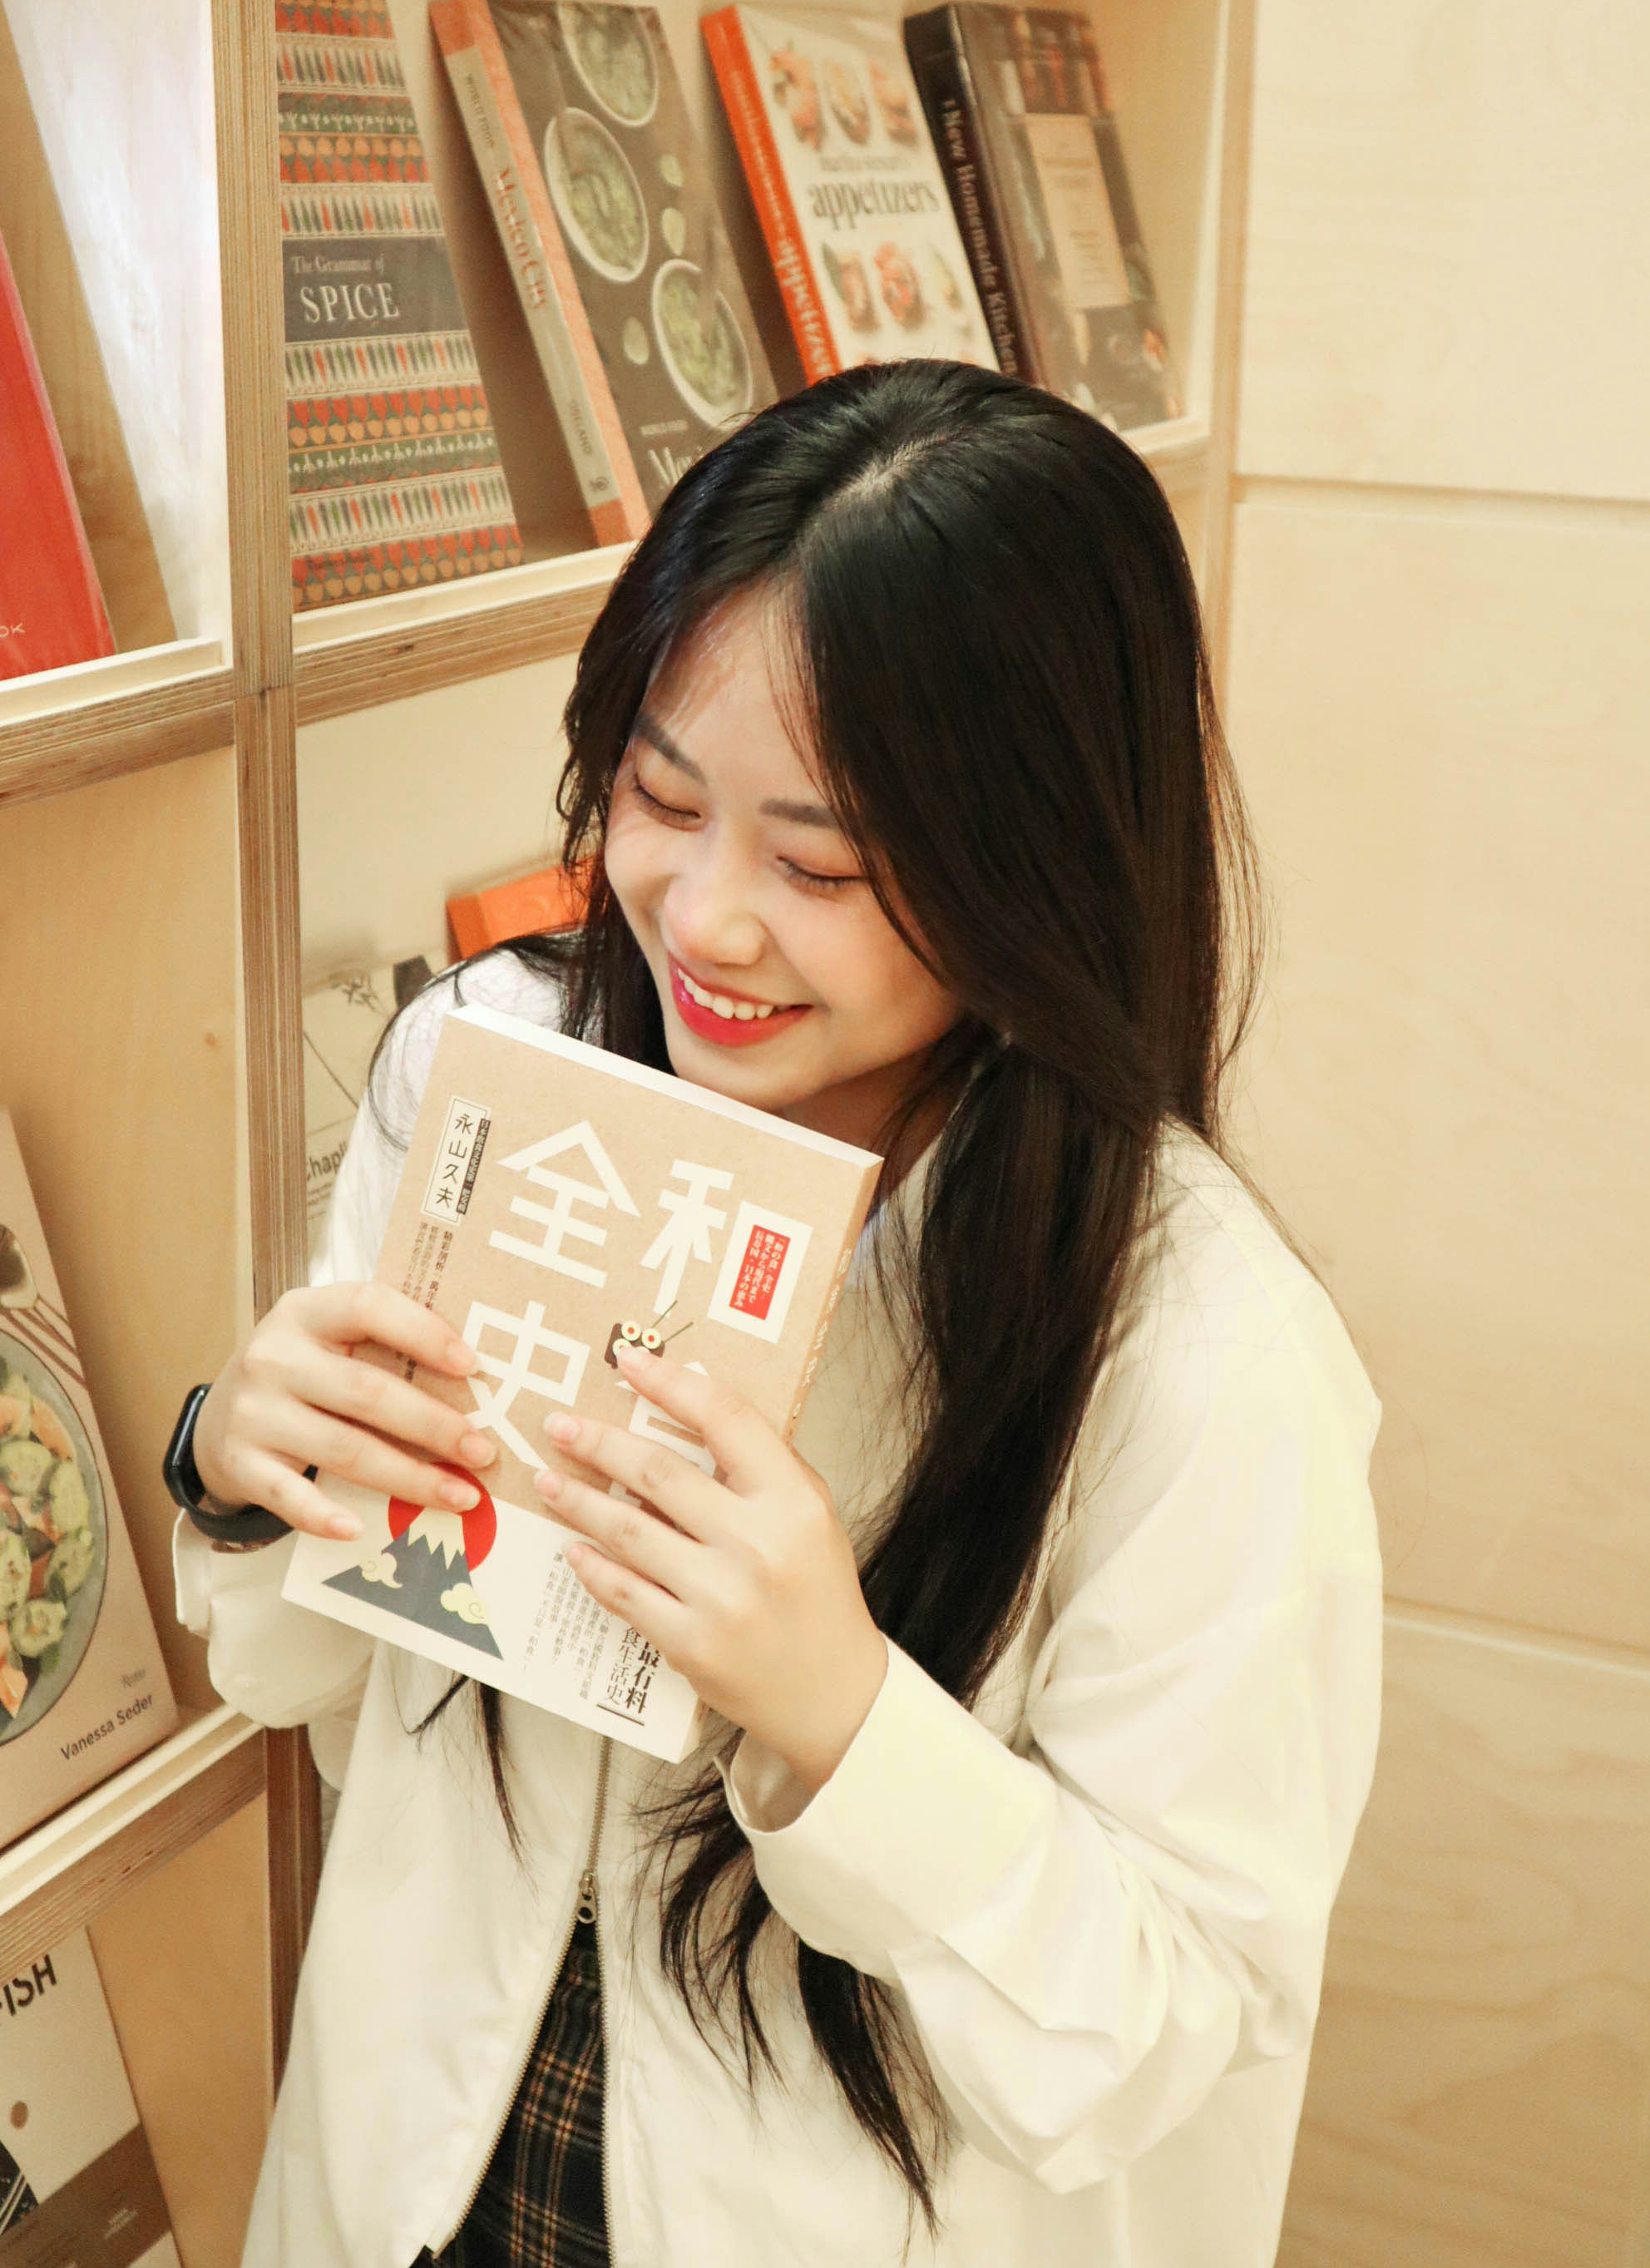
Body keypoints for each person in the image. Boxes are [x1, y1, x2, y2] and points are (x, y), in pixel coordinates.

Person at [170, 362, 1383, 2268]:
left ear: (1028, 869)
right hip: (419, 2178)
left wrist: (838, 1716)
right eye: (659, 796)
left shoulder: (1197, 1348)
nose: (706, 920)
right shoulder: (486, 1072)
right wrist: (248, 1477)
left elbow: (1166, 2036)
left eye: (816, 862)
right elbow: (315, 1688)